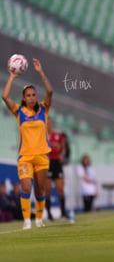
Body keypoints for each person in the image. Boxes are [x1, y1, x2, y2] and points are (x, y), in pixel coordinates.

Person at [1, 58, 53, 229]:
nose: (31, 98)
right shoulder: (19, 112)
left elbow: (50, 91)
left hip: (42, 156)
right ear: (23, 98)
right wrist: (11, 77)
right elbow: (4, 96)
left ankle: (39, 219)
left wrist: (41, 72)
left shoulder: (44, 109)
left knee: (39, 189)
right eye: (28, 96)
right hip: (25, 156)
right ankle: (27, 221)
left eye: (33, 95)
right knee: (25, 185)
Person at [45, 119, 68, 220]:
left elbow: (63, 147)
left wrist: (62, 153)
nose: (49, 124)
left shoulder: (57, 135)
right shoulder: (42, 136)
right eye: (47, 123)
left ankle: (63, 213)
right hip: (47, 162)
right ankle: (49, 214)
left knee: (60, 189)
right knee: (48, 190)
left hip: (57, 163)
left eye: (50, 123)